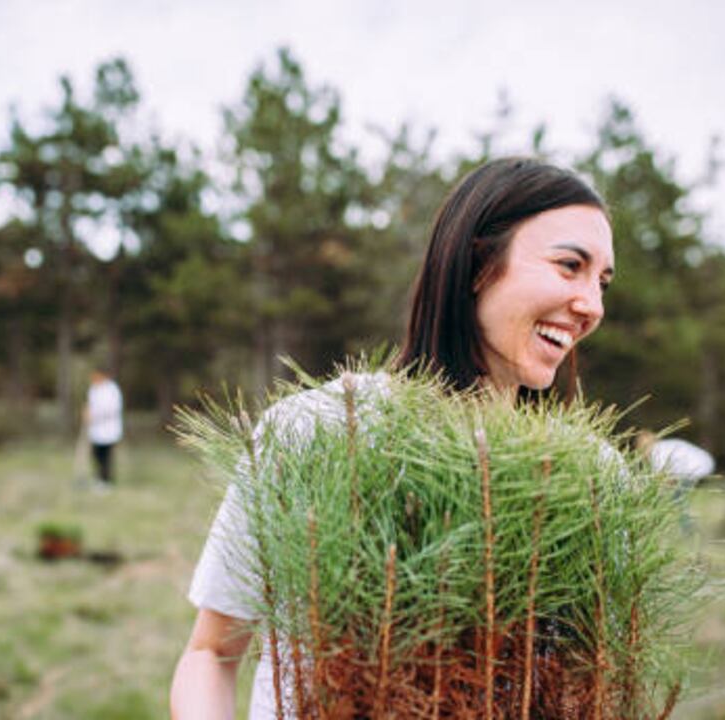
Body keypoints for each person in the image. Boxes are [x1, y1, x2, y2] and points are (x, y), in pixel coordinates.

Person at [170, 158, 614, 718]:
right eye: (569, 265)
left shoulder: (590, 478)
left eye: (601, 281)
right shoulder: (319, 431)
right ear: (478, 265)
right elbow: (211, 653)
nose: (592, 305)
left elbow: (587, 689)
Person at [84, 369, 122, 488]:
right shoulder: (94, 389)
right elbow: (90, 404)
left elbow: (111, 409)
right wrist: (87, 413)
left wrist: (94, 415)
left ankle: (107, 481)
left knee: (106, 456)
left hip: (109, 430)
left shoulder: (112, 390)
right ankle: (98, 478)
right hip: (95, 430)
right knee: (96, 455)